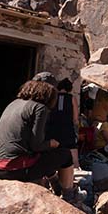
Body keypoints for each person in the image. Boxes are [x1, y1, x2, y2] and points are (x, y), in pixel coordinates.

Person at [0, 80, 69, 189]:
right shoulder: (40, 108)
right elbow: (36, 146)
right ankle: (68, 193)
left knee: (46, 157)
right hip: (15, 169)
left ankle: (56, 187)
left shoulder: (13, 104)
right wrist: (51, 143)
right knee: (66, 155)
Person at [34, 74, 85, 203]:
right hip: (66, 130)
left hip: (52, 130)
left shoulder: (53, 98)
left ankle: (47, 184)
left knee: (50, 157)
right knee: (72, 160)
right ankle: (69, 188)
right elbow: (75, 118)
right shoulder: (71, 98)